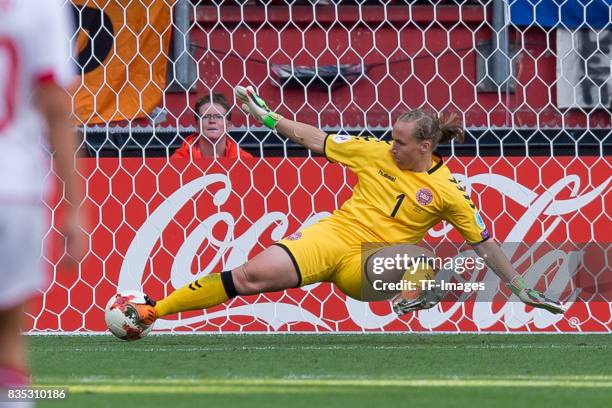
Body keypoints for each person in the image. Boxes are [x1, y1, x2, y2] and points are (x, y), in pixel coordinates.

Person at [132, 85, 565, 329]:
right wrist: (268, 118)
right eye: (391, 137)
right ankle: (154, 311)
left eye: (399, 141)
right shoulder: (373, 153)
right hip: (332, 237)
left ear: (425, 146)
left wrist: (518, 285)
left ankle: (415, 291)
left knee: (423, 255)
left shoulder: (449, 192)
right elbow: (314, 138)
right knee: (248, 276)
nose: (390, 145)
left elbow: (484, 243)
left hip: (370, 266)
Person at [0, 0, 85, 400]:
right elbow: (56, 108)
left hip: (16, 187)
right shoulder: (42, 7)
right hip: (14, 189)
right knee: (9, 338)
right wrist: (75, 207)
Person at [171, 92, 253, 159]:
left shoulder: (244, 159)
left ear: (229, 126)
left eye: (219, 116)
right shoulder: (179, 159)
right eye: (205, 116)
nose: (212, 121)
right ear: (197, 126)